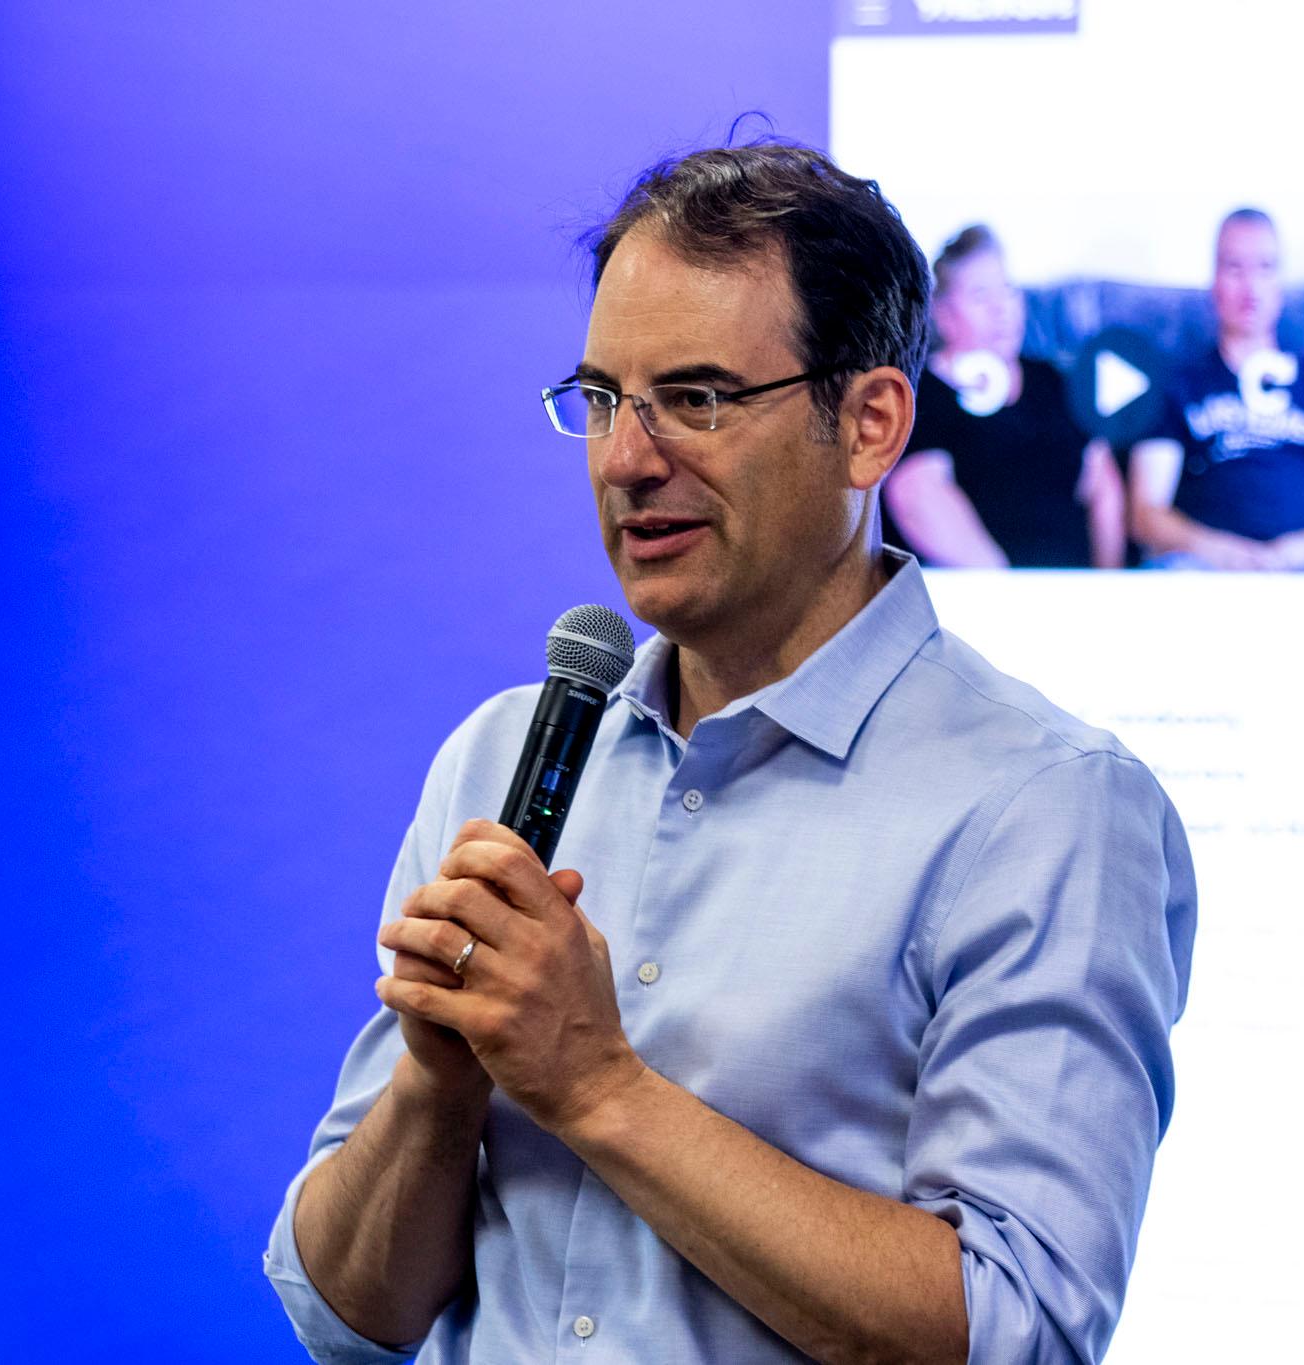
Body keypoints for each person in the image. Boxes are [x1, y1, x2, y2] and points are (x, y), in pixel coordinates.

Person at [265, 142, 1196, 1365]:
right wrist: (439, 1090)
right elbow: (342, 1316)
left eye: (697, 399)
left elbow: (1012, 1333)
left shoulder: (1045, 809)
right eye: (601, 399)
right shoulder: (505, 757)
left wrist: (596, 1088)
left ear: (868, 426)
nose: (625, 460)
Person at [1128, 208, 1304, 571]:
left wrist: (1301, 550)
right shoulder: (1177, 383)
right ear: (1214, 282)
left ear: (1280, 284)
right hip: (1202, 565)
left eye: (1265, 268)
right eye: (1235, 268)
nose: (1251, 287)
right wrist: (1218, 550)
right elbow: (1146, 514)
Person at [884, 226, 1127, 568]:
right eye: (982, 296)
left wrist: (1110, 585)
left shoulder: (1053, 380)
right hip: (987, 597)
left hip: (1078, 589)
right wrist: (1005, 590)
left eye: (1007, 290)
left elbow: (1103, 486)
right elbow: (916, 495)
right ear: (944, 314)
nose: (1001, 309)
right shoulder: (923, 392)